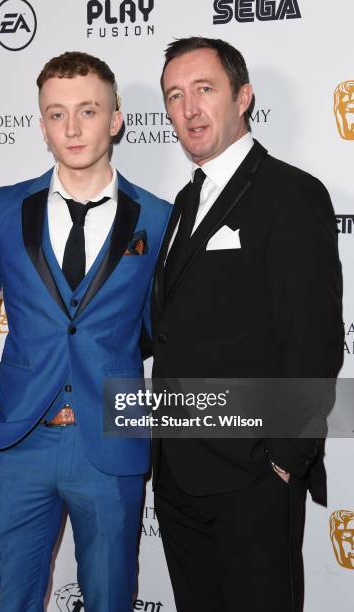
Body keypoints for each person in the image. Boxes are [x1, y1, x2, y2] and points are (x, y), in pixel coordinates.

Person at [0, 51, 170, 612]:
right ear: (41, 122)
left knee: (111, 600)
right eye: (56, 114)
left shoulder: (159, 218)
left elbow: (166, 335)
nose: (72, 128)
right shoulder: (1, 209)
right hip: (17, 447)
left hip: (111, 447)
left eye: (88, 111)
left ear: (116, 118)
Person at [151, 37, 344, 612]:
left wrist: (283, 461)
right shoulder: (185, 203)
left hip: (252, 479)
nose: (188, 109)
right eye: (174, 96)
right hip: (178, 476)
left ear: (243, 96)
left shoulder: (293, 194)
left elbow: (313, 344)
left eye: (204, 89)